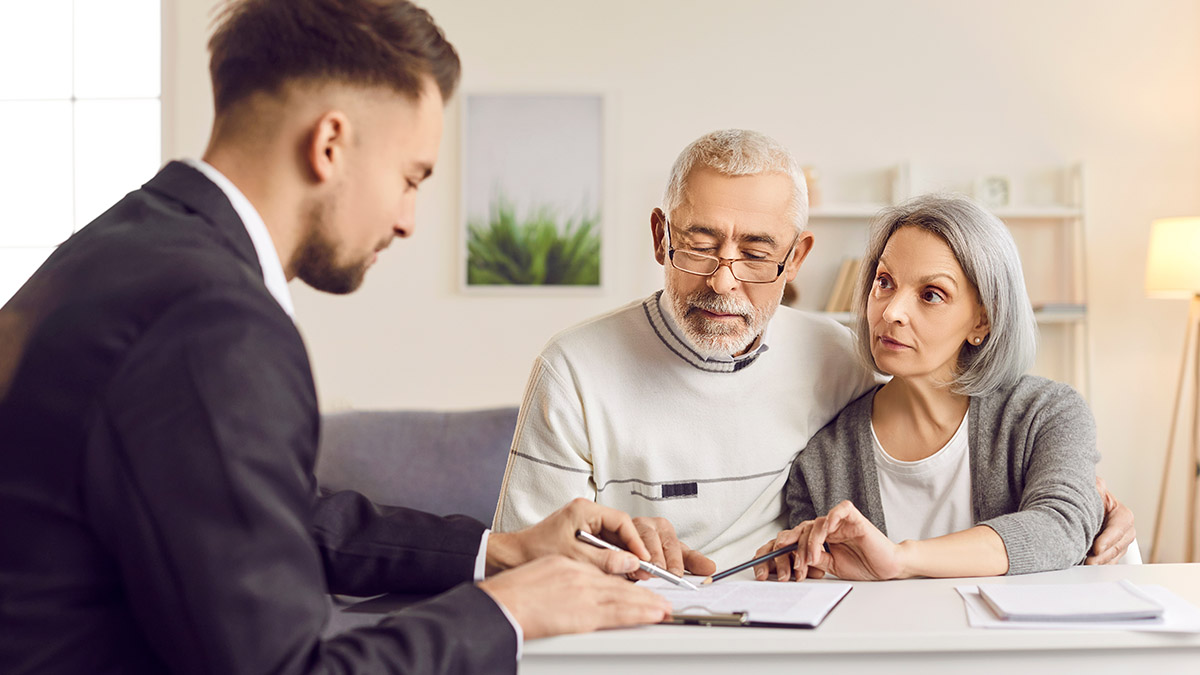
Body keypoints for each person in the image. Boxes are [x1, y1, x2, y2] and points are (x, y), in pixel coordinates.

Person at [0, 2, 670, 673]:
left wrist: (501, 551)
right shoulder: (212, 319)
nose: (407, 221)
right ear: (329, 144)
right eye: (410, 178)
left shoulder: (119, 248)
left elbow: (267, 516)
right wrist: (508, 610)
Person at [493, 130, 1137, 574]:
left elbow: (1051, 510)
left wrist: (1088, 506)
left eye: (756, 252)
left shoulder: (837, 358)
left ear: (796, 257)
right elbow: (519, 562)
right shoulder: (574, 370)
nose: (725, 281)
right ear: (661, 236)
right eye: (700, 245)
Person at [754, 194, 1105, 582]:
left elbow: (1061, 526)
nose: (891, 312)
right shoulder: (824, 462)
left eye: (931, 295)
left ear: (982, 321)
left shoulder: (1046, 415)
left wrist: (899, 559)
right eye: (884, 282)